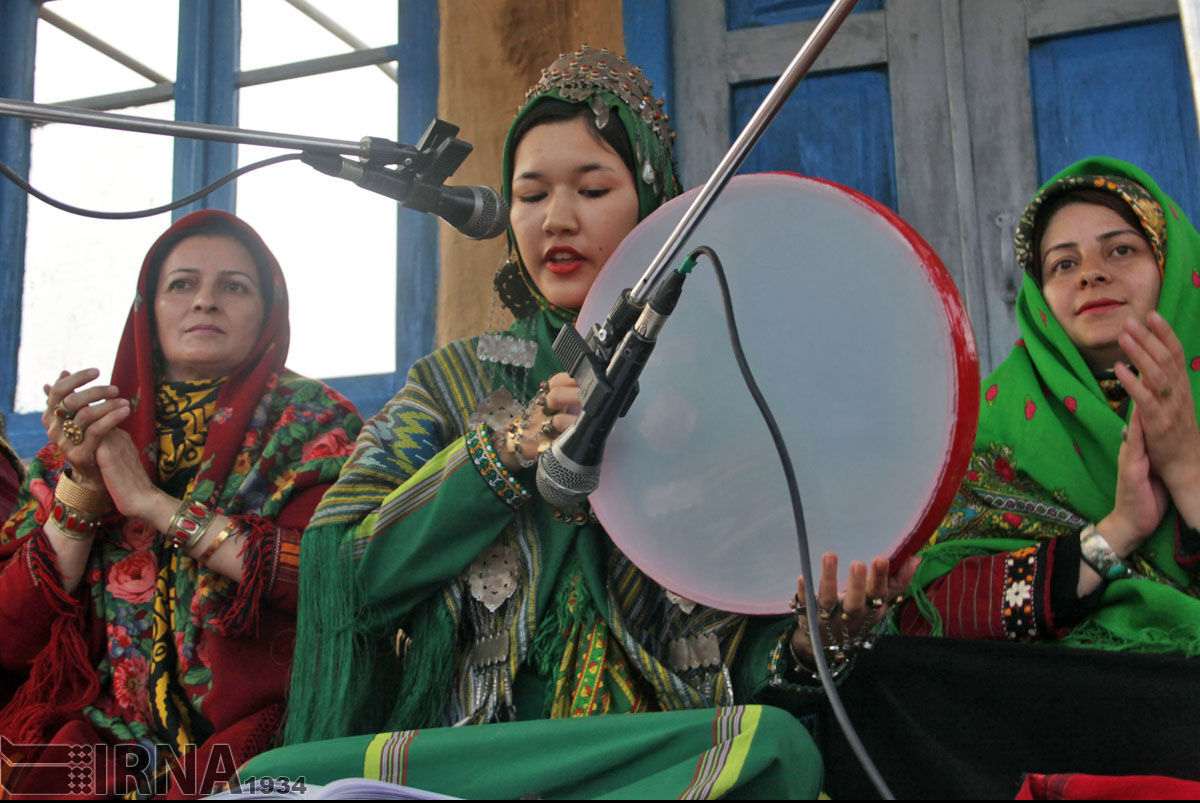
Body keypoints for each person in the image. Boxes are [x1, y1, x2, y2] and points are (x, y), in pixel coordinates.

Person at [243, 48, 823, 799]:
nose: (556, 218)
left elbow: (745, 649)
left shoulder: (724, 391)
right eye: (529, 194)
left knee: (774, 747)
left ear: (654, 202)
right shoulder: (454, 380)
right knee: (268, 781)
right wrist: (501, 453)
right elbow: (348, 578)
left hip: (649, 747)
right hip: (485, 749)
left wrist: (808, 644)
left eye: (592, 188)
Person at [0, 210, 361, 798]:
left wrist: (151, 503)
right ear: (148, 308)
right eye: (182, 284)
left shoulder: (316, 429)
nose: (206, 302)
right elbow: (11, 639)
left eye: (234, 287)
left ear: (268, 310)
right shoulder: (87, 437)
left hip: (259, 745)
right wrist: (85, 486)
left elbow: (335, 577)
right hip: (96, 748)